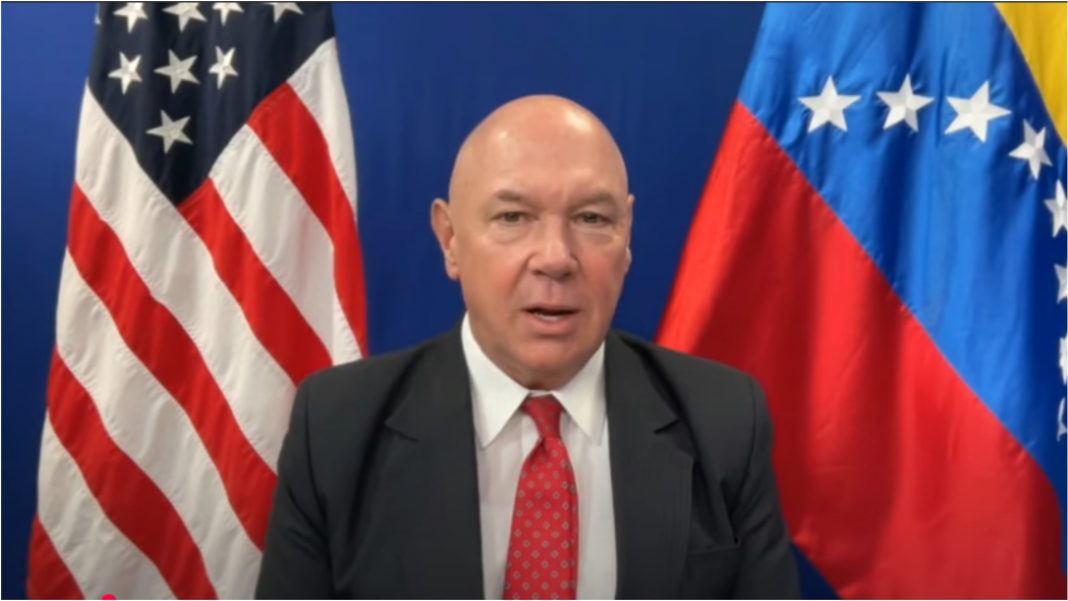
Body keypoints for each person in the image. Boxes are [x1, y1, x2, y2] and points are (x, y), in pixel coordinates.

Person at [256, 95, 799, 599]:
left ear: (627, 235)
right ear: (450, 239)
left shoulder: (725, 422)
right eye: (513, 217)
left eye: (592, 218)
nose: (556, 257)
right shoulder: (337, 427)